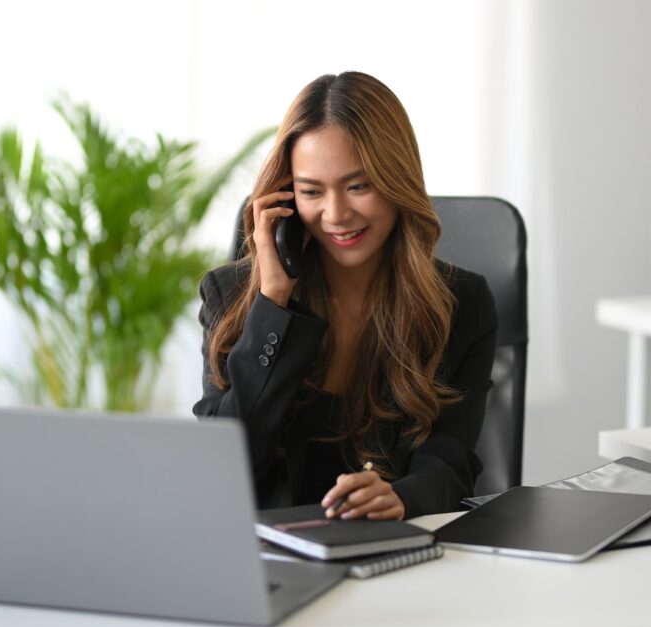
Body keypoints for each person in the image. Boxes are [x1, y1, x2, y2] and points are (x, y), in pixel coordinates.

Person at [193, 71, 498, 520]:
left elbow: (449, 460)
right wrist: (273, 304)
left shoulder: (461, 302)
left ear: (398, 181)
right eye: (311, 191)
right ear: (285, 196)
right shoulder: (231, 295)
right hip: (268, 559)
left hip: (393, 551)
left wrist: (404, 498)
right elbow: (222, 467)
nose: (335, 215)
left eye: (359, 186)